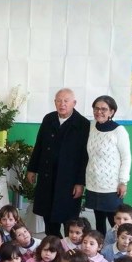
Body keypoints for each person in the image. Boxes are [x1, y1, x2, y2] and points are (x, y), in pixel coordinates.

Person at [27, 88, 90, 237]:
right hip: (47, 175)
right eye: (59, 101)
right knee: (48, 216)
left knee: (69, 218)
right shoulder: (49, 119)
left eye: (66, 101)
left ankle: (70, 249)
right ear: (55, 103)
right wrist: (32, 169)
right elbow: (39, 145)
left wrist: (80, 182)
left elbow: (84, 157)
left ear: (74, 103)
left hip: (69, 180)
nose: (62, 104)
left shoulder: (83, 124)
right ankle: (54, 246)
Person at [85, 95, 132, 236]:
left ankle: (121, 251)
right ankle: (101, 253)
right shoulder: (91, 126)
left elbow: (126, 158)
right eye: (96, 108)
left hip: (111, 185)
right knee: (99, 221)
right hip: (93, 183)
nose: (99, 112)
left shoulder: (119, 131)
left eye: (104, 109)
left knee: (116, 223)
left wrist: (123, 181)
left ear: (111, 112)